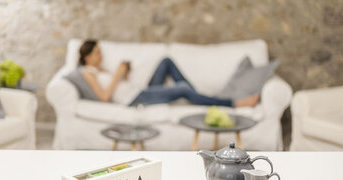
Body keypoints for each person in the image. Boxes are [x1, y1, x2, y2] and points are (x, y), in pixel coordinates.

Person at [78, 39, 259, 107]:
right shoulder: (88, 73)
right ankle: (232, 102)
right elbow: (104, 97)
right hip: (135, 99)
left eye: (100, 51)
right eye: (96, 52)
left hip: (140, 90)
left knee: (166, 61)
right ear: (87, 57)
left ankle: (197, 95)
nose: (100, 55)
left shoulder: (101, 70)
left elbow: (119, 86)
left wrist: (124, 73)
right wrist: (117, 75)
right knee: (182, 89)